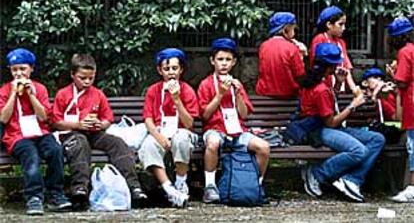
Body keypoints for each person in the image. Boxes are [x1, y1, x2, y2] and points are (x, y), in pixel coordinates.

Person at [51, 54, 147, 208]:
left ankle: (133, 186)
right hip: (72, 133)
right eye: (83, 78)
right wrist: (78, 125)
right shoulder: (63, 94)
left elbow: (107, 119)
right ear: (72, 75)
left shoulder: (98, 94)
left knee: (117, 143)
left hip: (94, 132)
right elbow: (56, 122)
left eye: (91, 78)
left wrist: (100, 124)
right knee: (80, 144)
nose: (87, 82)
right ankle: (80, 188)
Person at [301, 43, 385, 202]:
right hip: (319, 130)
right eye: (336, 64)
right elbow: (330, 122)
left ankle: (352, 180)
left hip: (330, 127)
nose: (339, 66)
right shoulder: (320, 89)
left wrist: (339, 83)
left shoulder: (322, 82)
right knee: (358, 151)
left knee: (377, 139)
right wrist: (353, 105)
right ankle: (317, 173)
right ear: (329, 66)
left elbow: (331, 105)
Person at [198, 37, 270, 203]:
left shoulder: (237, 84)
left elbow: (244, 115)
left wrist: (237, 94)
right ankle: (210, 186)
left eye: (228, 60)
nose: (224, 63)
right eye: (220, 59)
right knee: (213, 143)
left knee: (263, 147)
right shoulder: (206, 84)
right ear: (212, 61)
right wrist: (220, 95)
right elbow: (205, 115)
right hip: (215, 129)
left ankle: (256, 184)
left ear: (234, 62)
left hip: (238, 131)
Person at [0, 48, 72, 215]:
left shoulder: (40, 89)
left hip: (40, 132)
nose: (18, 73)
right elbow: (3, 119)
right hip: (17, 136)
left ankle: (56, 194)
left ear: (31, 69)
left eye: (22, 69)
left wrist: (31, 95)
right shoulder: (4, 90)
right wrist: (13, 94)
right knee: (30, 155)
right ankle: (34, 197)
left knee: (55, 150)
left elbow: (43, 117)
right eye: (14, 69)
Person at [138, 48, 199, 208]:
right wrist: (159, 137)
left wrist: (177, 100)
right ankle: (169, 188)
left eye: (174, 68)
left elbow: (189, 124)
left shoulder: (187, 90)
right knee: (149, 145)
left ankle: (180, 182)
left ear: (181, 69)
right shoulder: (153, 90)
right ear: (160, 70)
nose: (171, 73)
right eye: (166, 69)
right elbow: (148, 119)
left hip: (182, 131)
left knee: (181, 139)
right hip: (160, 132)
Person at [385, 16, 414, 202]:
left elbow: (402, 80)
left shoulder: (404, 52)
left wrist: (392, 75)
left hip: (412, 100)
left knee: (413, 145)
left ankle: (412, 187)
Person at [256, 12, 306, 98]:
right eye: (293, 29)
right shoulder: (292, 48)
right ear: (286, 29)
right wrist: (302, 56)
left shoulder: (263, 46)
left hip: (265, 94)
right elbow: (300, 75)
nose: (294, 33)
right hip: (288, 95)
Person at [309, 6, 357, 93]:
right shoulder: (319, 39)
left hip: (340, 88)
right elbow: (317, 66)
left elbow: (347, 67)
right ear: (329, 25)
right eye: (340, 24)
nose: (344, 28)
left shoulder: (341, 42)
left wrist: (354, 89)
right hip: (324, 89)